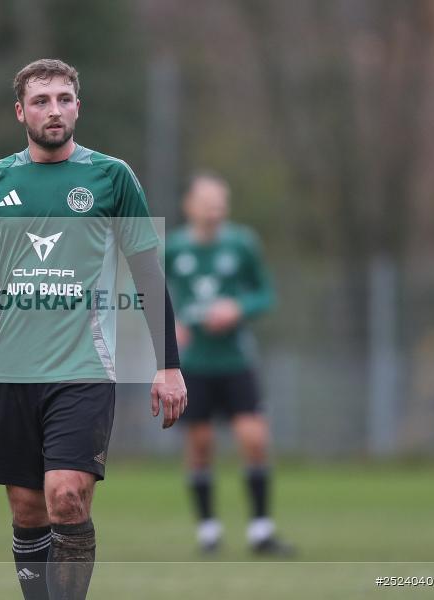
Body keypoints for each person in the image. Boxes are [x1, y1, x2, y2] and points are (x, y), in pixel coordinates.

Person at [0, 58, 187, 600]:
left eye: (64, 99)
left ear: (78, 106)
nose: (55, 110)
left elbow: (147, 272)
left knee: (65, 497)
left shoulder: (111, 177)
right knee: (27, 511)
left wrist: (168, 365)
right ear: (20, 111)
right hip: (11, 373)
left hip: (84, 371)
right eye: (42, 100)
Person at [164, 172, 293, 555]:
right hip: (195, 365)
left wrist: (238, 307)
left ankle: (260, 530)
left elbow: (265, 294)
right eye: (207, 203)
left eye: (220, 203)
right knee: (201, 445)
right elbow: (148, 293)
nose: (214, 211)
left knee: (254, 439)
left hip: (236, 360)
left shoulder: (242, 244)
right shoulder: (172, 249)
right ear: (190, 206)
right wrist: (172, 323)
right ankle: (208, 531)